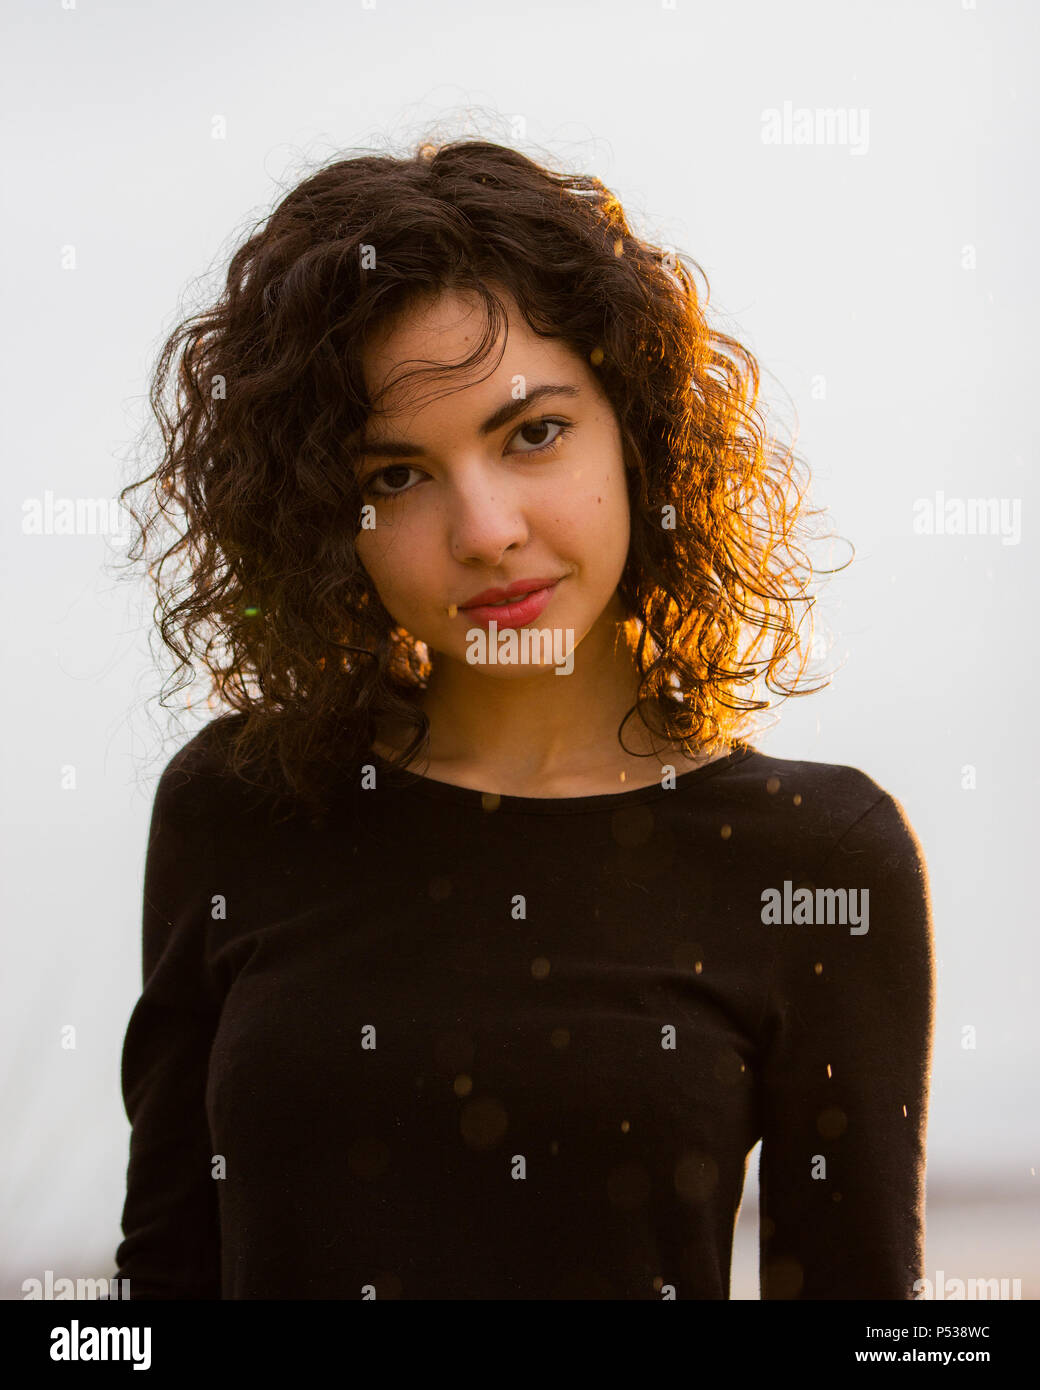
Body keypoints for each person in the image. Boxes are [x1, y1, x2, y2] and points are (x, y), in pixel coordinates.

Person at [112, 137, 935, 1300]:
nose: (484, 527)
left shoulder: (816, 854)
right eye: (396, 475)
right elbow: (162, 1277)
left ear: (639, 435)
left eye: (531, 432)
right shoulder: (240, 804)